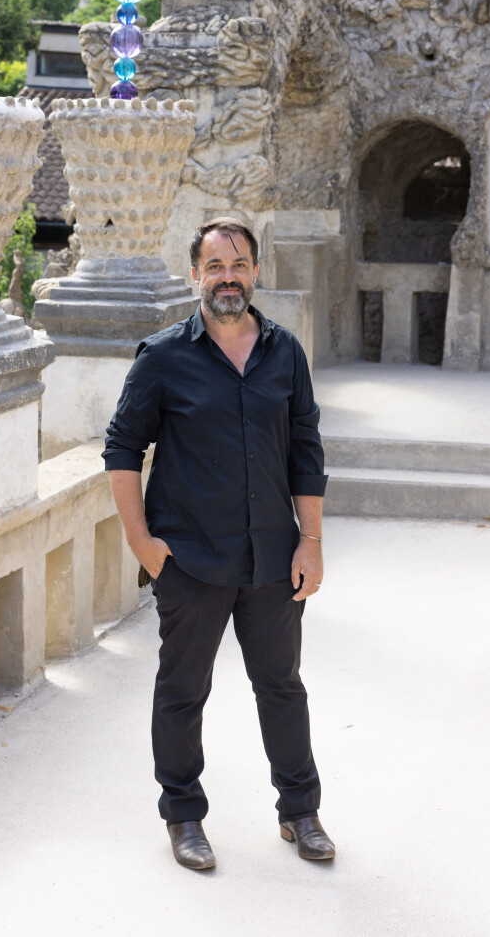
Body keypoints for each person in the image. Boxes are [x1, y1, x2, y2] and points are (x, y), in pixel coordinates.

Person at [103, 217, 334, 871]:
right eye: (214, 267)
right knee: (183, 691)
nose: (227, 278)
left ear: (255, 272)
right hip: (191, 562)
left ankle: (300, 811)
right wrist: (143, 543)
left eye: (238, 266)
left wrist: (310, 540)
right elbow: (122, 450)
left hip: (271, 558)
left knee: (282, 686)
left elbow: (306, 449)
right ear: (195, 275)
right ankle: (183, 816)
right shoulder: (164, 357)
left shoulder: (284, 352)